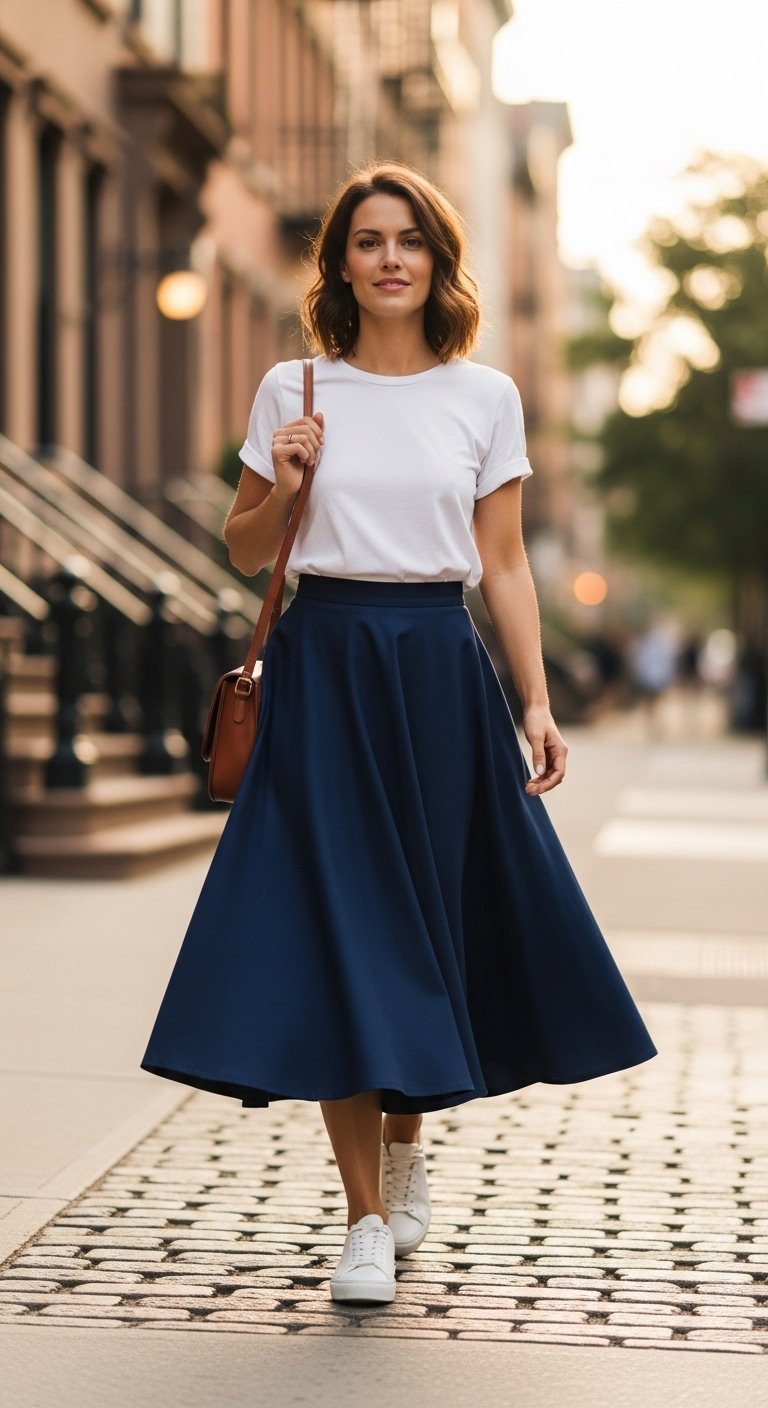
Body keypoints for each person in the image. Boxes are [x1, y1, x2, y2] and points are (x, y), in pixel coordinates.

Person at [141, 161, 657, 1307]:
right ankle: (364, 1218)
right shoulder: (295, 385)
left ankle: (409, 1152)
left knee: (425, 919)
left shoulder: (485, 397)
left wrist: (535, 697)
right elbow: (242, 549)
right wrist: (282, 483)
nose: (388, 258)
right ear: (340, 264)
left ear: (437, 261)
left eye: (408, 240)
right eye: (367, 241)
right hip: (325, 664)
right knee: (343, 930)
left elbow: (508, 564)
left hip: (434, 667)